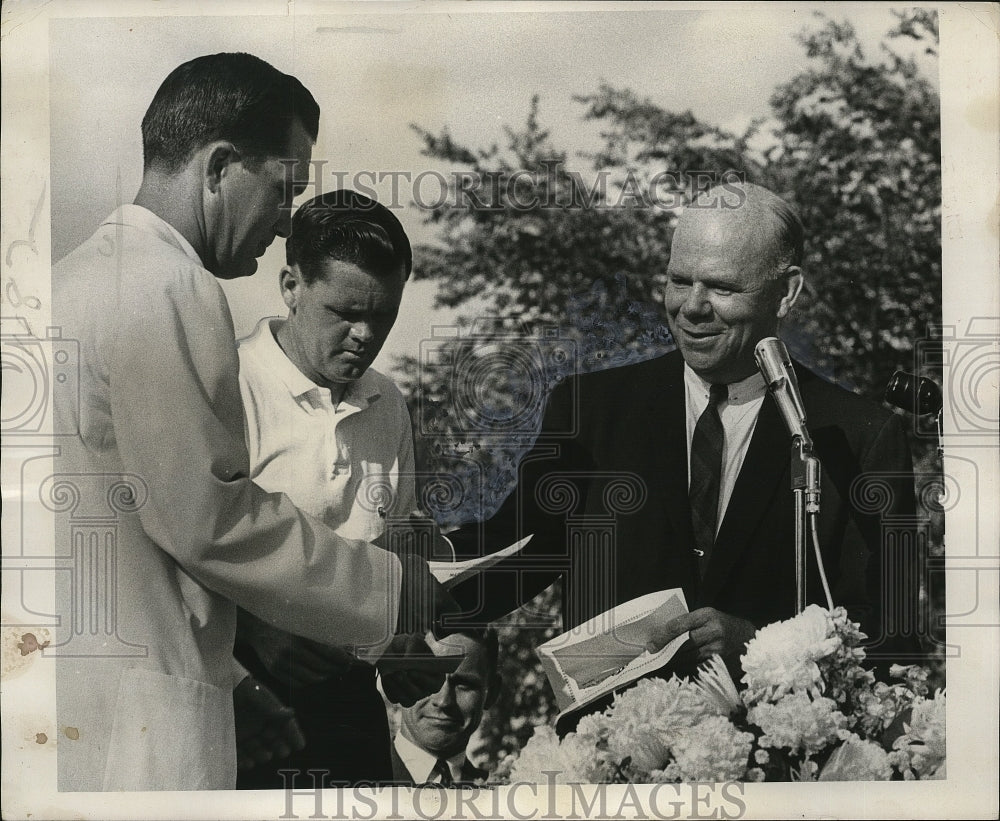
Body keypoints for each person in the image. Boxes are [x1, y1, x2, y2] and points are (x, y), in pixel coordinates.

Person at [51, 53, 450, 792]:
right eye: (283, 189)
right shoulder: (170, 285)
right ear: (220, 165)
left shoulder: (66, 281)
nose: (282, 220)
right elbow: (209, 518)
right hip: (144, 727)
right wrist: (393, 588)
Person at [447, 182, 919, 680]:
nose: (692, 306)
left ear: (787, 292)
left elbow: (893, 634)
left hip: (782, 750)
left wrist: (758, 644)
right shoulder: (591, 410)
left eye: (722, 287)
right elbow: (517, 552)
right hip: (610, 747)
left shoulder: (856, 437)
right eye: (678, 280)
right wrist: (399, 587)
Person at [234, 189, 452, 787]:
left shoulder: (388, 402)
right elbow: (179, 544)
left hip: (351, 704)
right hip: (247, 703)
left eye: (382, 316)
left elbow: (399, 542)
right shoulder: (229, 385)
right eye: (344, 312)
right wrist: (253, 634)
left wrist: (402, 640)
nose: (364, 333)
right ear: (290, 287)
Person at [388, 630, 500, 786]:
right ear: (398, 679)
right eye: (428, 677)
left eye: (463, 684)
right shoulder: (353, 779)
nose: (443, 701)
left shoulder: (504, 794)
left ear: (492, 693)